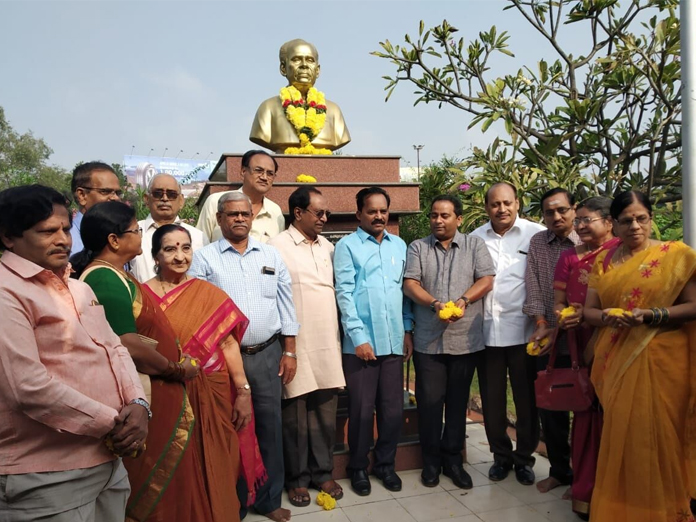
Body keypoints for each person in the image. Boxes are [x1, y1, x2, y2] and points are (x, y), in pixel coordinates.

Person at [0, 185, 147, 522]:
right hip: (47, 476)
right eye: (47, 231)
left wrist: (139, 406)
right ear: (9, 237)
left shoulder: (79, 288)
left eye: (66, 229)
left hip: (106, 464)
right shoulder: (7, 291)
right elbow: (28, 387)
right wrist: (115, 426)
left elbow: (115, 350)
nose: (63, 240)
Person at [70, 201, 209, 522]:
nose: (140, 236)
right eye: (135, 231)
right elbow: (127, 343)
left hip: (162, 393)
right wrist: (177, 369)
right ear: (114, 241)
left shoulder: (119, 275)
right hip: (151, 395)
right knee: (155, 489)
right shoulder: (104, 279)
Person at [582, 191, 696, 522]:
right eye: (626, 220)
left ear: (650, 218)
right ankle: (628, 511)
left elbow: (693, 306)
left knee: (662, 439)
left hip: (664, 358)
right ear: (613, 224)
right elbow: (589, 310)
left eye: (641, 218)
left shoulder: (675, 255)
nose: (635, 226)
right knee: (628, 438)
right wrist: (606, 317)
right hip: (616, 358)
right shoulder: (603, 261)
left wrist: (651, 315)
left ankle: (669, 510)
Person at [143, 223, 268, 521]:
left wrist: (242, 391)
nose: (179, 256)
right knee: (172, 462)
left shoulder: (208, 294)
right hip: (164, 392)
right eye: (170, 249)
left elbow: (227, 345)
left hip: (210, 392)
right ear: (155, 256)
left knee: (218, 457)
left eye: (185, 248)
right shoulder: (142, 296)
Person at [189, 191, 299, 522]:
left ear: (252, 218)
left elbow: (285, 303)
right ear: (219, 219)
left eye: (244, 214)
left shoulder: (271, 255)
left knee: (269, 427)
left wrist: (290, 350)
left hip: (267, 354)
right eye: (232, 214)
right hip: (223, 360)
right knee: (230, 430)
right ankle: (233, 502)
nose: (239, 219)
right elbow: (200, 311)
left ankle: (267, 499)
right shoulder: (204, 258)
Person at [404, 195, 495, 489]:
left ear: (458, 218)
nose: (438, 221)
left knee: (457, 403)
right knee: (429, 404)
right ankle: (430, 462)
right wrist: (434, 304)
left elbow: (487, 279)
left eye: (445, 215)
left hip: (465, 339)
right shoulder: (418, 247)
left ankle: (453, 460)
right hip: (429, 341)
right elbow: (410, 284)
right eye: (434, 215)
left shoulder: (474, 245)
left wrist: (463, 300)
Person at [268, 186, 346, 506]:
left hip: (327, 340)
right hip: (294, 343)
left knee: (325, 412)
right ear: (298, 213)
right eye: (320, 213)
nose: (325, 219)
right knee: (294, 416)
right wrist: (287, 348)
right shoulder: (275, 247)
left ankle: (322, 472)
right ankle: (297, 478)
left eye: (327, 213)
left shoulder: (328, 247)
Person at [334, 187, 414, 496]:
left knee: (393, 410)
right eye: (372, 211)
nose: (379, 216)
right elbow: (344, 293)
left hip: (393, 341)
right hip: (361, 346)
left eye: (383, 210)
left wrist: (407, 330)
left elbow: (404, 293)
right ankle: (357, 468)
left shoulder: (399, 245)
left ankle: (385, 465)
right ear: (359, 214)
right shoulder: (347, 246)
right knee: (362, 411)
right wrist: (358, 337)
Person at [470, 183, 545, 485]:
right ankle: (501, 457)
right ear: (486, 207)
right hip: (486, 333)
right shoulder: (475, 237)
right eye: (495, 204)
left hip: (525, 331)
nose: (501, 209)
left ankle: (524, 458)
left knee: (527, 400)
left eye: (507, 203)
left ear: (518, 203)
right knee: (492, 401)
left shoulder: (535, 234)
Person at [552, 196, 618, 519]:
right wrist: (564, 316)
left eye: (585, 220)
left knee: (617, 417)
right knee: (587, 417)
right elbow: (558, 301)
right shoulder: (568, 257)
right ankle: (586, 493)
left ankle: (618, 494)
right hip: (582, 345)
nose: (578, 226)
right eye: (577, 220)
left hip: (618, 342)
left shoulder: (624, 253)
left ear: (608, 222)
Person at [523, 187, 581, 494]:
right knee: (552, 407)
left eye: (562, 210)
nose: (556, 217)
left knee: (586, 410)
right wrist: (542, 323)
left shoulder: (587, 240)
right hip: (547, 340)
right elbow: (532, 285)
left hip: (585, 340)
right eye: (549, 212)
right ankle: (560, 470)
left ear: (574, 209)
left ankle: (586, 477)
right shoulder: (538, 243)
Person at [250, 39, 351, 153]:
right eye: (296, 59)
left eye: (310, 60)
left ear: (317, 70)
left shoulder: (333, 110)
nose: (304, 65)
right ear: (283, 68)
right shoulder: (268, 108)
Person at [196, 150, 285, 244]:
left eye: (270, 173)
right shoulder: (216, 201)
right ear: (243, 171)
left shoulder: (275, 211)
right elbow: (199, 243)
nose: (264, 177)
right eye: (259, 171)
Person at [130, 173, 207, 282]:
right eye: (158, 194)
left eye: (171, 194)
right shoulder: (132, 233)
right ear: (146, 199)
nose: (165, 198)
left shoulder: (198, 237)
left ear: (181, 201)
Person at [70, 161, 123, 253]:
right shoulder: (67, 240)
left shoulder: (121, 235)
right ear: (82, 195)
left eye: (117, 193)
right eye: (105, 191)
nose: (115, 198)